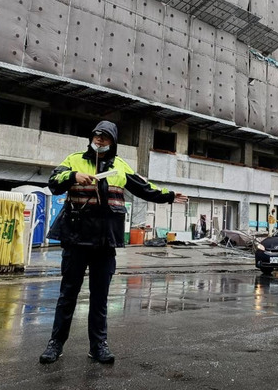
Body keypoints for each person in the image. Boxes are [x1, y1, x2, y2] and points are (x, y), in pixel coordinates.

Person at [39, 121, 187, 365]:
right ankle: (55, 344)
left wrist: (169, 196)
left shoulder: (120, 166)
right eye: (97, 135)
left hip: (105, 242)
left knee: (100, 297)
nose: (99, 140)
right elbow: (54, 182)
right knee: (68, 295)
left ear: (113, 142)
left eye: (105, 137)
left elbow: (143, 188)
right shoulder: (74, 159)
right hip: (76, 239)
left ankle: (98, 346)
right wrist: (74, 176)